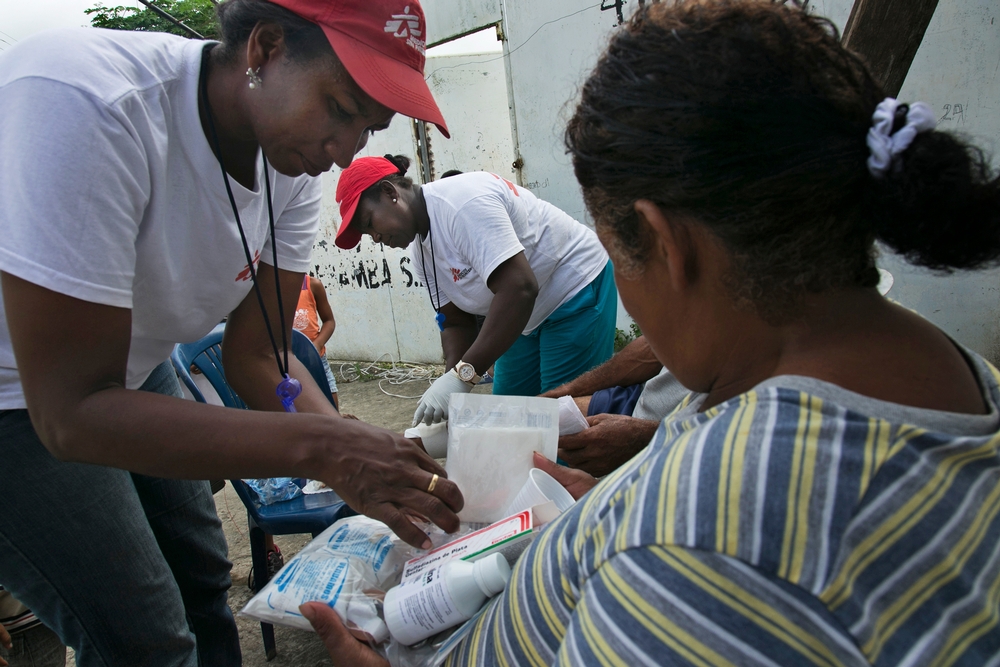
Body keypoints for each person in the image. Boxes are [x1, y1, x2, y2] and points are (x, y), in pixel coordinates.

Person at [314, 1, 1000, 664]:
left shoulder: (702, 546)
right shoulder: (951, 375)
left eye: (615, 249)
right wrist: (608, 497)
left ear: (670, 246)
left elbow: (700, 554)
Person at [0, 1, 465, 665]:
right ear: (265, 48)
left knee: (202, 569)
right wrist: (324, 444)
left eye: (367, 127)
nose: (344, 151)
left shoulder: (291, 163)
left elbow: (259, 357)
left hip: (132, 364)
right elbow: (70, 413)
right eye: (339, 107)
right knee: (143, 633)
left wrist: (354, 458)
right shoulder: (91, 102)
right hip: (22, 392)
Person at [335, 155, 618, 424]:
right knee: (509, 419)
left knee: (561, 417)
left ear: (389, 192)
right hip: (520, 316)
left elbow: (519, 287)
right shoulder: (421, 254)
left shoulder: (461, 203)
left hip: (572, 291)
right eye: (367, 234)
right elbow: (456, 322)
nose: (375, 238)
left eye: (370, 223)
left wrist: (464, 375)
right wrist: (449, 389)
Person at [541, 335, 690, 476]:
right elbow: (652, 347)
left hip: (677, 451)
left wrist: (647, 440)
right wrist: (565, 392)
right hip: (638, 399)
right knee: (542, 419)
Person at [293, 273, 340, 409]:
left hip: (316, 359)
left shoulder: (312, 285)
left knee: (330, 404)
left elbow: (329, 321)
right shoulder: (268, 289)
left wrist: (316, 345)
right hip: (287, 362)